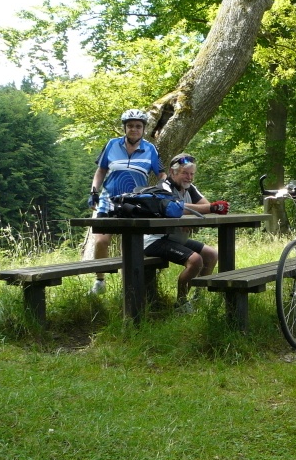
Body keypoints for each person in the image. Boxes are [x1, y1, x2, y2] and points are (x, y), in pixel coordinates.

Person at [87, 109, 166, 294]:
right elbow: (101, 170)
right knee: (101, 242)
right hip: (108, 200)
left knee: (130, 246)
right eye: (130, 126)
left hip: (135, 203)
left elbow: (161, 174)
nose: (134, 129)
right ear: (125, 128)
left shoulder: (150, 149)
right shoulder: (112, 144)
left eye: (138, 126)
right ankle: (99, 281)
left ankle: (128, 286)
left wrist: (164, 190)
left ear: (144, 129)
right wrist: (94, 191)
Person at [143, 153, 229, 313]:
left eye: (192, 174)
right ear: (172, 172)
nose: (189, 177)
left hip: (175, 238)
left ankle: (198, 298)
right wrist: (206, 209)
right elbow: (177, 207)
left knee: (211, 255)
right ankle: (181, 303)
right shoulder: (164, 187)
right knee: (195, 260)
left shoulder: (189, 188)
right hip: (155, 240)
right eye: (185, 173)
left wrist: (193, 215)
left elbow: (206, 206)